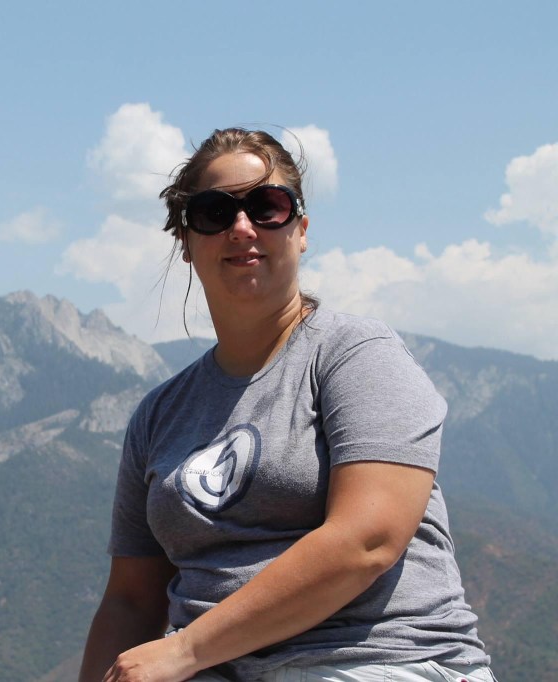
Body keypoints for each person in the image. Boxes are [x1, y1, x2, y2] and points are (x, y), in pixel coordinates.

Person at [78, 129, 494, 682]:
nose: (242, 227)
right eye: (213, 212)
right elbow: (130, 600)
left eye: (267, 207)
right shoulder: (158, 415)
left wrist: (184, 651)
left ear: (301, 230)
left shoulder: (356, 355)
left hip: (377, 660)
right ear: (185, 241)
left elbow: (368, 540)